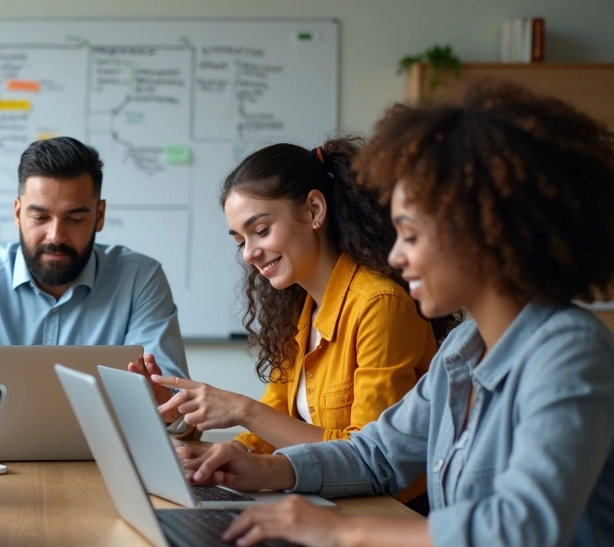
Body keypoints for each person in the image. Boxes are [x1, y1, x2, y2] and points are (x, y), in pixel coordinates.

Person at [187, 80, 614, 547]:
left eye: (412, 235)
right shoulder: (463, 352)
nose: (395, 255)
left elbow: (520, 538)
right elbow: (377, 456)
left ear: (485, 233)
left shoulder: (570, 354)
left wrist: (342, 533)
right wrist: (266, 469)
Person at [134, 136, 455, 506]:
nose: (250, 253)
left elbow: (367, 455)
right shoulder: (300, 309)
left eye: (261, 230)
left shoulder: (379, 304)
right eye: (240, 240)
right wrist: (211, 454)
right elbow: (271, 428)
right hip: (329, 501)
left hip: (390, 511)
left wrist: (243, 410)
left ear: (315, 209)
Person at [0, 136, 189, 413]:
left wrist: (172, 412)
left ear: (99, 216)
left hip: (101, 469)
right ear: (17, 213)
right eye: (40, 216)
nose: (55, 235)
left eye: (75, 218)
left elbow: (176, 407)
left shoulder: (139, 280)